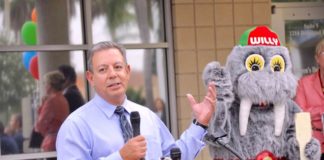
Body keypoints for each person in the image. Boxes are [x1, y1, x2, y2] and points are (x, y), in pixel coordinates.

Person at [56, 41, 216, 160]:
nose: (112, 74)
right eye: (103, 69)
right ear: (91, 78)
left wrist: (201, 123)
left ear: (127, 71)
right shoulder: (75, 125)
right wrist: (120, 157)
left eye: (118, 67)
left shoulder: (147, 116)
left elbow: (173, 156)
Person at [295, 38, 324, 159]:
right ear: (317, 58)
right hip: (315, 144)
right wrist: (322, 110)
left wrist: (313, 111)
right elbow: (300, 113)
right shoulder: (303, 83)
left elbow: (308, 111)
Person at [35, 71, 69, 153]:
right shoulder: (63, 99)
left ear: (50, 85)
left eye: (45, 84)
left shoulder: (51, 101)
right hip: (63, 140)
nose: (45, 86)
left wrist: (41, 108)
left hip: (51, 143)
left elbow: (40, 125)